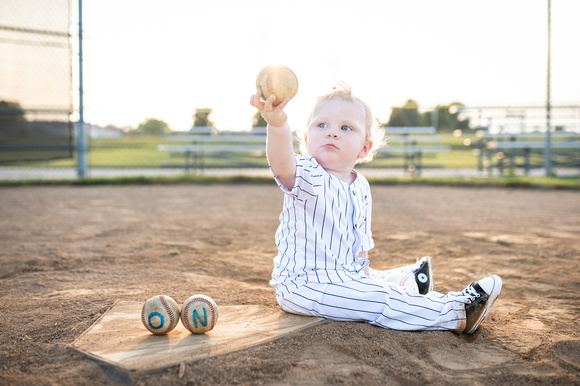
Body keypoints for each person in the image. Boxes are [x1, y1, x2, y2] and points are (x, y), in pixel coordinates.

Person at [249, 84, 501, 334]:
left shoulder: (360, 185)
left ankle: (411, 280)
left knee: (373, 283)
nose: (332, 133)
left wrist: (366, 278)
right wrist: (277, 123)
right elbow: (281, 162)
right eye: (321, 125)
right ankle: (456, 312)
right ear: (305, 139)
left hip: (345, 275)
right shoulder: (306, 174)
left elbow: (360, 244)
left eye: (345, 127)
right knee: (380, 298)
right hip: (305, 286)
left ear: (365, 148)